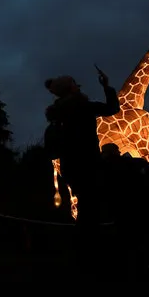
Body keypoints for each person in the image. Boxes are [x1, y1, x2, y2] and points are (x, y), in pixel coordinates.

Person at [43, 70, 120, 273]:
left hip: (70, 166)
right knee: (92, 210)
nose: (78, 85)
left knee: (86, 208)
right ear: (70, 88)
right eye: (75, 83)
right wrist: (106, 86)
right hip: (89, 164)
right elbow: (112, 108)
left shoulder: (58, 113)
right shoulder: (84, 106)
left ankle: (83, 255)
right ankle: (90, 257)